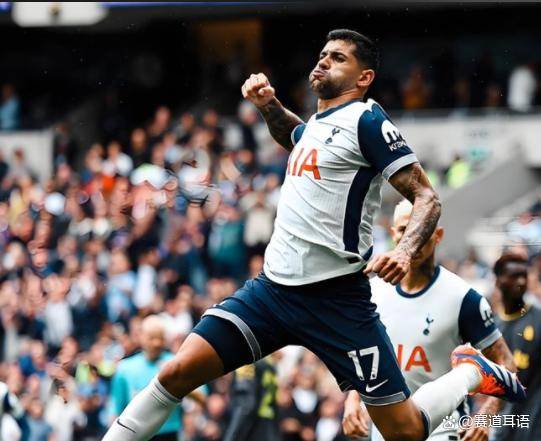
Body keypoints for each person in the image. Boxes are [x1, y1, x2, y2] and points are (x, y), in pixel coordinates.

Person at [102, 29, 524, 441]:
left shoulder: (367, 119)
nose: (324, 61)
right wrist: (268, 106)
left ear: (364, 77)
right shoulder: (318, 125)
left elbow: (426, 197)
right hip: (273, 292)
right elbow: (296, 135)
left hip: (337, 300)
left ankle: (470, 372)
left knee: (405, 431)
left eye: (338, 58)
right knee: (177, 371)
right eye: (323, 54)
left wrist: (404, 251)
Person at [342, 200, 516, 441]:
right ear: (393, 234)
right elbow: (363, 356)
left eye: (422, 229)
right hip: (387, 429)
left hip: (443, 429)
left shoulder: (463, 298)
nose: (413, 238)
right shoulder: (373, 292)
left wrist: (485, 416)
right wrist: (352, 401)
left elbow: (507, 363)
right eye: (404, 229)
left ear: (438, 235)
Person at [108, 316, 204, 441]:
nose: (156, 343)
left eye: (160, 338)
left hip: (169, 433)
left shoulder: (176, 362)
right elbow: (116, 408)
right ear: (141, 337)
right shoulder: (124, 368)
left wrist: (177, 380)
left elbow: (201, 398)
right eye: (152, 338)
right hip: (135, 434)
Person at [492, 253, 541, 441]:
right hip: (504, 426)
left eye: (524, 275)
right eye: (514, 276)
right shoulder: (491, 328)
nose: (521, 281)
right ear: (498, 281)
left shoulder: (538, 319)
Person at [222, 356, 279, 441]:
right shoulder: (268, 363)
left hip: (254, 418)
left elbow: (246, 401)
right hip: (266, 419)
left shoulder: (251, 362)